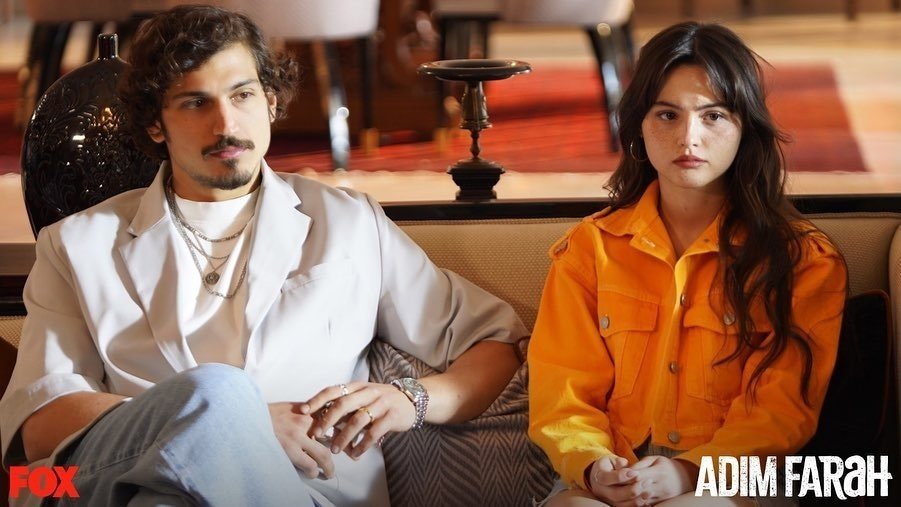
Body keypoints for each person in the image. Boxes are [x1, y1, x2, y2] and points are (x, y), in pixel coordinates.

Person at [0, 5, 526, 507]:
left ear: (271, 101)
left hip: (310, 494)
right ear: (156, 124)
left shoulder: (347, 222)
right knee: (217, 397)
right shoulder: (78, 245)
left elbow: (494, 340)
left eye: (243, 95)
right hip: (135, 487)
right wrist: (232, 424)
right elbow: (39, 422)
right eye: (195, 103)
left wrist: (412, 400)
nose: (225, 124)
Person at [528, 21, 847, 507]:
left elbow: (781, 413)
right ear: (638, 125)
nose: (688, 138)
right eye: (667, 114)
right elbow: (562, 390)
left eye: (713, 115)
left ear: (745, 127)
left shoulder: (803, 261)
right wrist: (593, 465)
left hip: (743, 477)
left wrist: (688, 472)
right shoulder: (589, 248)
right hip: (614, 472)